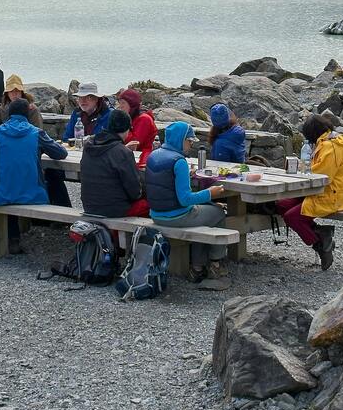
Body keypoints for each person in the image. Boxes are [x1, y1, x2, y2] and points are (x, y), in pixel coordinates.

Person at [146, 120, 231, 288]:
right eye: (189, 140)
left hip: (156, 214)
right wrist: (210, 194)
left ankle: (197, 267)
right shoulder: (179, 162)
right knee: (219, 215)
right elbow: (185, 199)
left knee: (204, 219)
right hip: (176, 216)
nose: (190, 144)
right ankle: (215, 265)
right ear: (180, 139)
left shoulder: (153, 155)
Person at [0, 98, 68, 254]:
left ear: (8, 114)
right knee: (44, 178)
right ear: (28, 114)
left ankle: (13, 238)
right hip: (32, 193)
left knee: (9, 183)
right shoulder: (36, 133)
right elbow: (61, 153)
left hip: (1, 193)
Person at [275, 115, 343, 270]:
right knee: (282, 204)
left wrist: (302, 170)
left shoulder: (330, 147)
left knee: (292, 217)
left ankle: (320, 244)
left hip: (333, 195)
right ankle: (321, 233)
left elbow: (322, 177)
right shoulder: (324, 143)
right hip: (324, 191)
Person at [80, 108, 147, 219]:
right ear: (126, 129)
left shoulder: (89, 145)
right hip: (115, 210)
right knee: (152, 205)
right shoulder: (123, 153)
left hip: (89, 206)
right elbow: (135, 193)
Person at [117, 87, 157, 166]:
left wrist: (120, 127)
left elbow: (135, 142)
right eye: (120, 103)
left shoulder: (144, 119)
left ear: (132, 104)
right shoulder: (132, 118)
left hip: (143, 157)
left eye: (123, 103)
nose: (120, 106)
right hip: (133, 154)